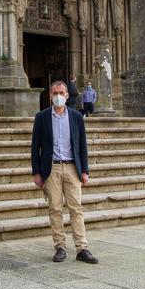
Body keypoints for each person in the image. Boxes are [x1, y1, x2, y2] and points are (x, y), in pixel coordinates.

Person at [30, 81, 98, 264]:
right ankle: (60, 246)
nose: (58, 96)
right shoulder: (42, 117)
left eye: (61, 92)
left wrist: (85, 170)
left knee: (76, 208)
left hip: (72, 168)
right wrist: (36, 172)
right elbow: (35, 146)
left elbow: (82, 145)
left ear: (67, 95)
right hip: (51, 168)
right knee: (55, 208)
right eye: (55, 93)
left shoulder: (76, 117)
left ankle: (82, 248)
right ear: (50, 95)